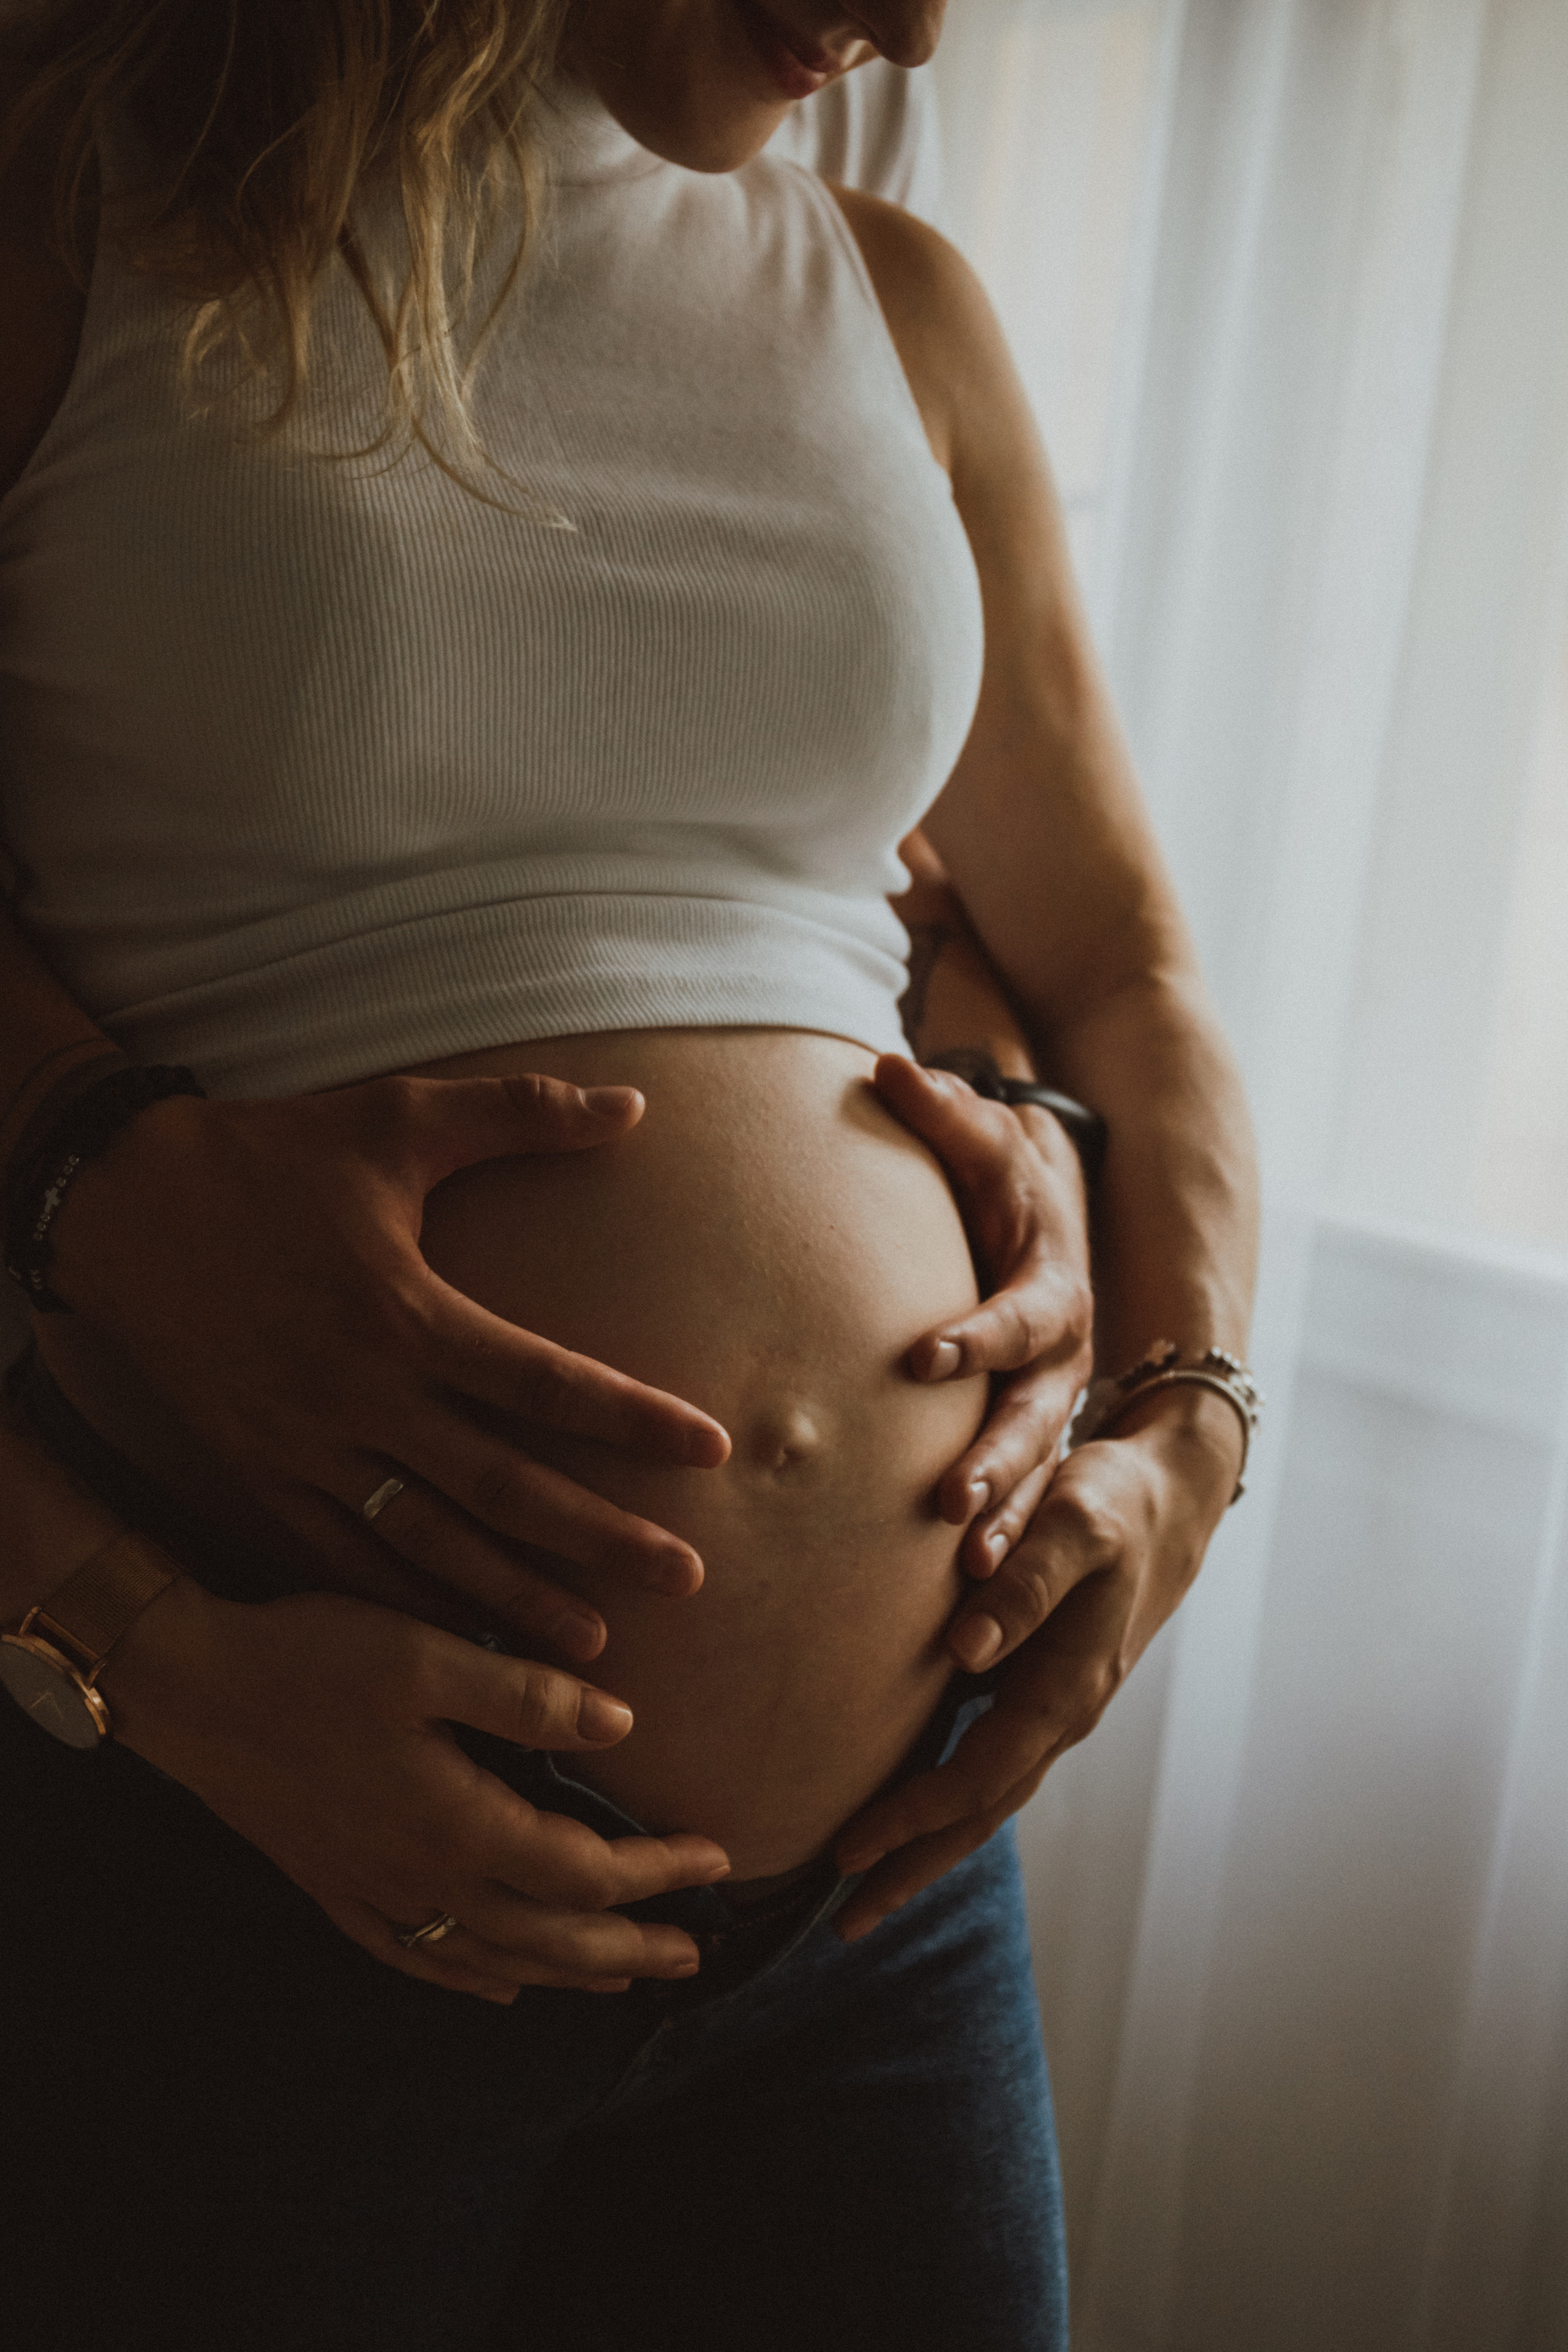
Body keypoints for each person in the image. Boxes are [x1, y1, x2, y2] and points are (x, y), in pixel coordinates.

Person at [0, 6, 1259, 2349]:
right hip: (237, 1846)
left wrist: (1189, 1433)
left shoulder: (897, 307)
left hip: (866, 1929)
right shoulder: (72, 206)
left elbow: (1130, 968)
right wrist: (149, 1665)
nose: (915, 29)